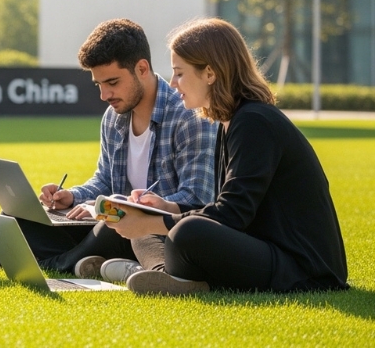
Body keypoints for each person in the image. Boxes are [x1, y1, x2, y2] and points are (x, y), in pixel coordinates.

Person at [106, 18, 349, 295]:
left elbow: (232, 214)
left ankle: (161, 272)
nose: (173, 84)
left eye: (180, 73)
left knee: (187, 233)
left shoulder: (254, 121)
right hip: (263, 248)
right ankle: (168, 276)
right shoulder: (231, 121)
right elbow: (223, 207)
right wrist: (166, 209)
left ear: (210, 73)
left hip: (302, 268)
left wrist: (154, 221)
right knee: (150, 230)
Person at [0, 19, 217, 281]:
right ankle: (79, 258)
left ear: (142, 68)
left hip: (153, 233)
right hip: (109, 222)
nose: (104, 95)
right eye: (98, 84)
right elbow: (104, 179)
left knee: (111, 227)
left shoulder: (189, 117)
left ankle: (58, 262)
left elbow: (195, 199)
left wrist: (118, 208)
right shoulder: (114, 116)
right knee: (15, 215)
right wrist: (73, 196)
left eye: (112, 82)